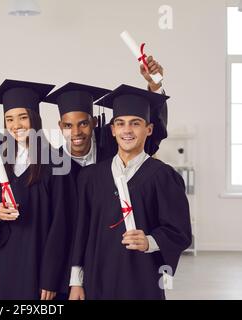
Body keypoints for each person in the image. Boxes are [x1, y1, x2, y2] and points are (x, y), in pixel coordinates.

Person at [69, 84, 192, 300]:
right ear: (113, 129)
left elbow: (179, 231)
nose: (127, 130)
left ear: (149, 129)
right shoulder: (91, 176)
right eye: (121, 124)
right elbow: (81, 231)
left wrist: (150, 241)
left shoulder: (163, 176)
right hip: (97, 278)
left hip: (141, 279)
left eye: (135, 124)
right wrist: (76, 281)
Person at [0, 79, 72, 300]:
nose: (15, 125)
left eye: (22, 117)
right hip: (0, 264)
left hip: (37, 265)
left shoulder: (55, 163)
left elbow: (61, 223)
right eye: (9, 119)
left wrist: (51, 276)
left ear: (34, 119)